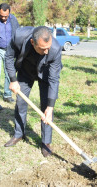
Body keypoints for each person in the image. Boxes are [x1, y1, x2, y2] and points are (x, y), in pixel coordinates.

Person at [4, 26, 62, 157]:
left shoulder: (55, 49)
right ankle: (19, 134)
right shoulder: (19, 36)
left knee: (46, 108)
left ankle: (46, 143)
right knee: (20, 103)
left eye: (48, 47)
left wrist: (51, 106)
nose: (47, 51)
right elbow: (8, 57)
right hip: (25, 71)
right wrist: (13, 80)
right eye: (42, 48)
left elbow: (54, 79)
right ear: (32, 42)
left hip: (46, 74)